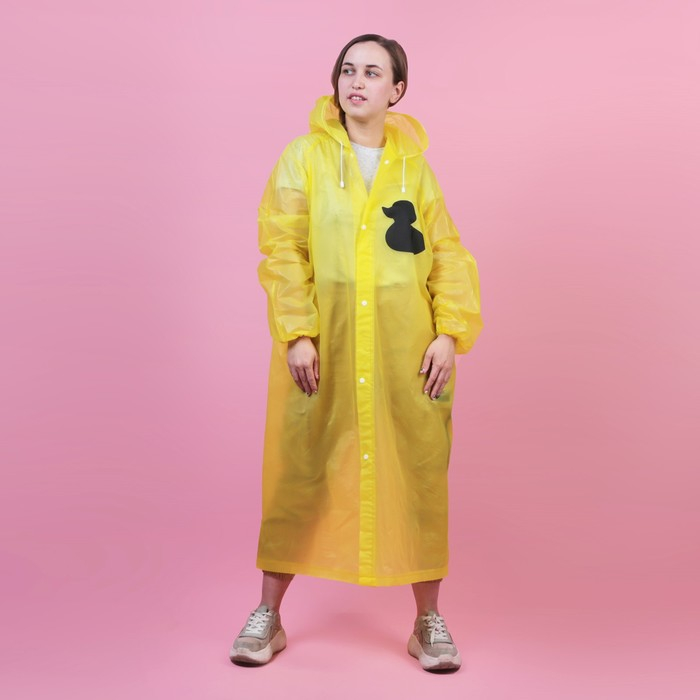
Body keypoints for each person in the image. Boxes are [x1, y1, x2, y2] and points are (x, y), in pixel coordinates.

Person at [229, 34, 484, 672]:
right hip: (327, 344)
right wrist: (297, 332)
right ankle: (268, 616)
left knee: (419, 475)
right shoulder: (305, 157)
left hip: (406, 351)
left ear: (397, 90)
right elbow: (283, 248)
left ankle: (428, 622)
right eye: (348, 70)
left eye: (372, 72)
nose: (356, 82)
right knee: (300, 469)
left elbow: (446, 252)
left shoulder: (414, 168)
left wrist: (449, 333)